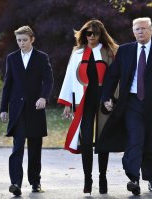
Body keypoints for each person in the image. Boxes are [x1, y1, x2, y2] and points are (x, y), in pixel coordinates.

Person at [99, 17, 152, 195]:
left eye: (143, 28)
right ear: (133, 31)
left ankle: (151, 178)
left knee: (151, 142)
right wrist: (106, 97)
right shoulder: (125, 51)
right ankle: (133, 178)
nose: (140, 32)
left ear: (151, 30)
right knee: (134, 139)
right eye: (137, 29)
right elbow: (112, 76)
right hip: (132, 103)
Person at [57, 19, 118, 194]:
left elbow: (115, 77)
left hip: (104, 99)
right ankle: (87, 179)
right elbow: (69, 77)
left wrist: (112, 98)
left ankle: (103, 177)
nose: (91, 36)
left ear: (101, 35)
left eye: (95, 33)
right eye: (88, 33)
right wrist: (67, 103)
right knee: (85, 141)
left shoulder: (109, 52)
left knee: (102, 139)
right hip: (83, 100)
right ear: (84, 34)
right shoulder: (77, 53)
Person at [0, 26, 53, 196]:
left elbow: (48, 80)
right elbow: (7, 85)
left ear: (32, 39)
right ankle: (15, 183)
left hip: (36, 109)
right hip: (17, 110)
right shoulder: (12, 58)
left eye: (24, 40)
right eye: (18, 40)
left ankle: (35, 182)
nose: (21, 43)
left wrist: (44, 97)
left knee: (35, 148)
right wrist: (3, 108)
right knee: (17, 148)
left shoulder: (41, 58)